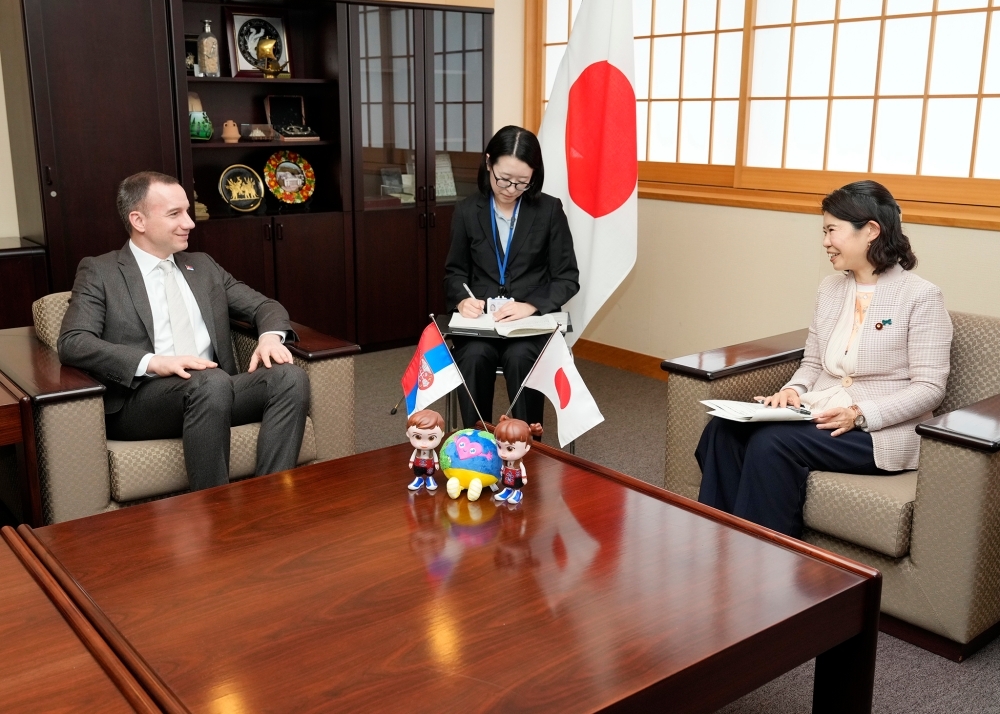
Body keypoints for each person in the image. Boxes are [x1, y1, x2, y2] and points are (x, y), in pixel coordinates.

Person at [696, 180, 953, 537]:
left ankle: (767, 559)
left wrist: (859, 414)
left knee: (772, 443)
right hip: (821, 410)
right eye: (824, 230)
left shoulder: (921, 297)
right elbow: (813, 363)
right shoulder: (829, 289)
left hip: (878, 429)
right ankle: (718, 541)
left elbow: (929, 388)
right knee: (723, 430)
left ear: (871, 231)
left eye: (832, 230)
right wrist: (793, 391)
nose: (825, 241)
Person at [58, 171, 310, 492]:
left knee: (289, 377)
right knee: (211, 382)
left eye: (187, 212)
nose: (190, 223)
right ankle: (214, 509)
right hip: (142, 402)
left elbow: (265, 307)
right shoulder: (101, 272)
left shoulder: (202, 266)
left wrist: (270, 337)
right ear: (139, 220)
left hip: (217, 391)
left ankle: (270, 497)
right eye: (175, 214)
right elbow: (74, 342)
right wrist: (152, 362)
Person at [443, 125, 579, 429]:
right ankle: (475, 445)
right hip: (481, 325)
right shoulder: (467, 211)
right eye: (503, 178)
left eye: (521, 182)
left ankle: (527, 448)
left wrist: (531, 305)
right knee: (475, 356)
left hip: (527, 325)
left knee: (521, 358)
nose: (510, 188)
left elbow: (567, 277)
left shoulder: (549, 210)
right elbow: (454, 272)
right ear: (488, 163)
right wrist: (463, 299)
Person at [405, 409, 444, 491]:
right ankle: (419, 479)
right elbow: (413, 456)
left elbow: (435, 456)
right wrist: (411, 462)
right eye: (418, 437)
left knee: (430, 472)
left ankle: (430, 479)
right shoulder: (417, 450)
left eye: (431, 438)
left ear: (442, 435)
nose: (424, 443)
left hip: (429, 464)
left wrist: (436, 464)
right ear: (408, 434)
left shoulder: (431, 451)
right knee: (417, 472)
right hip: (418, 463)